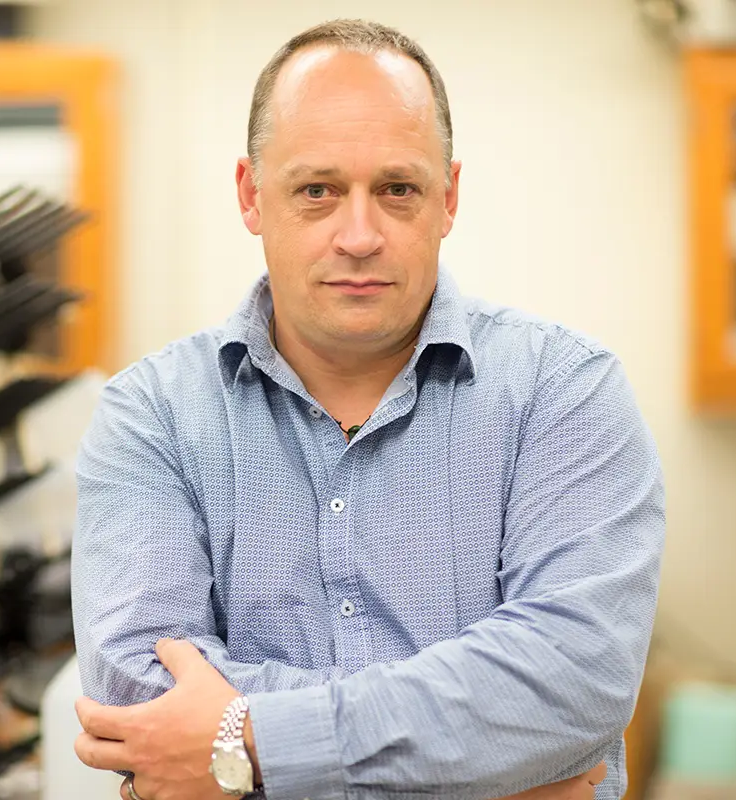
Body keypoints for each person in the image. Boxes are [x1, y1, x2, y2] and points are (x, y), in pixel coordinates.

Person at [71, 18, 664, 800]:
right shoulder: (150, 418)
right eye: (317, 190)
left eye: (397, 190)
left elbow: (572, 680)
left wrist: (244, 745)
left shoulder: (566, 391)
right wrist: (480, 770)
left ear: (447, 198)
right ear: (252, 196)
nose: (359, 234)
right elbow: (137, 696)